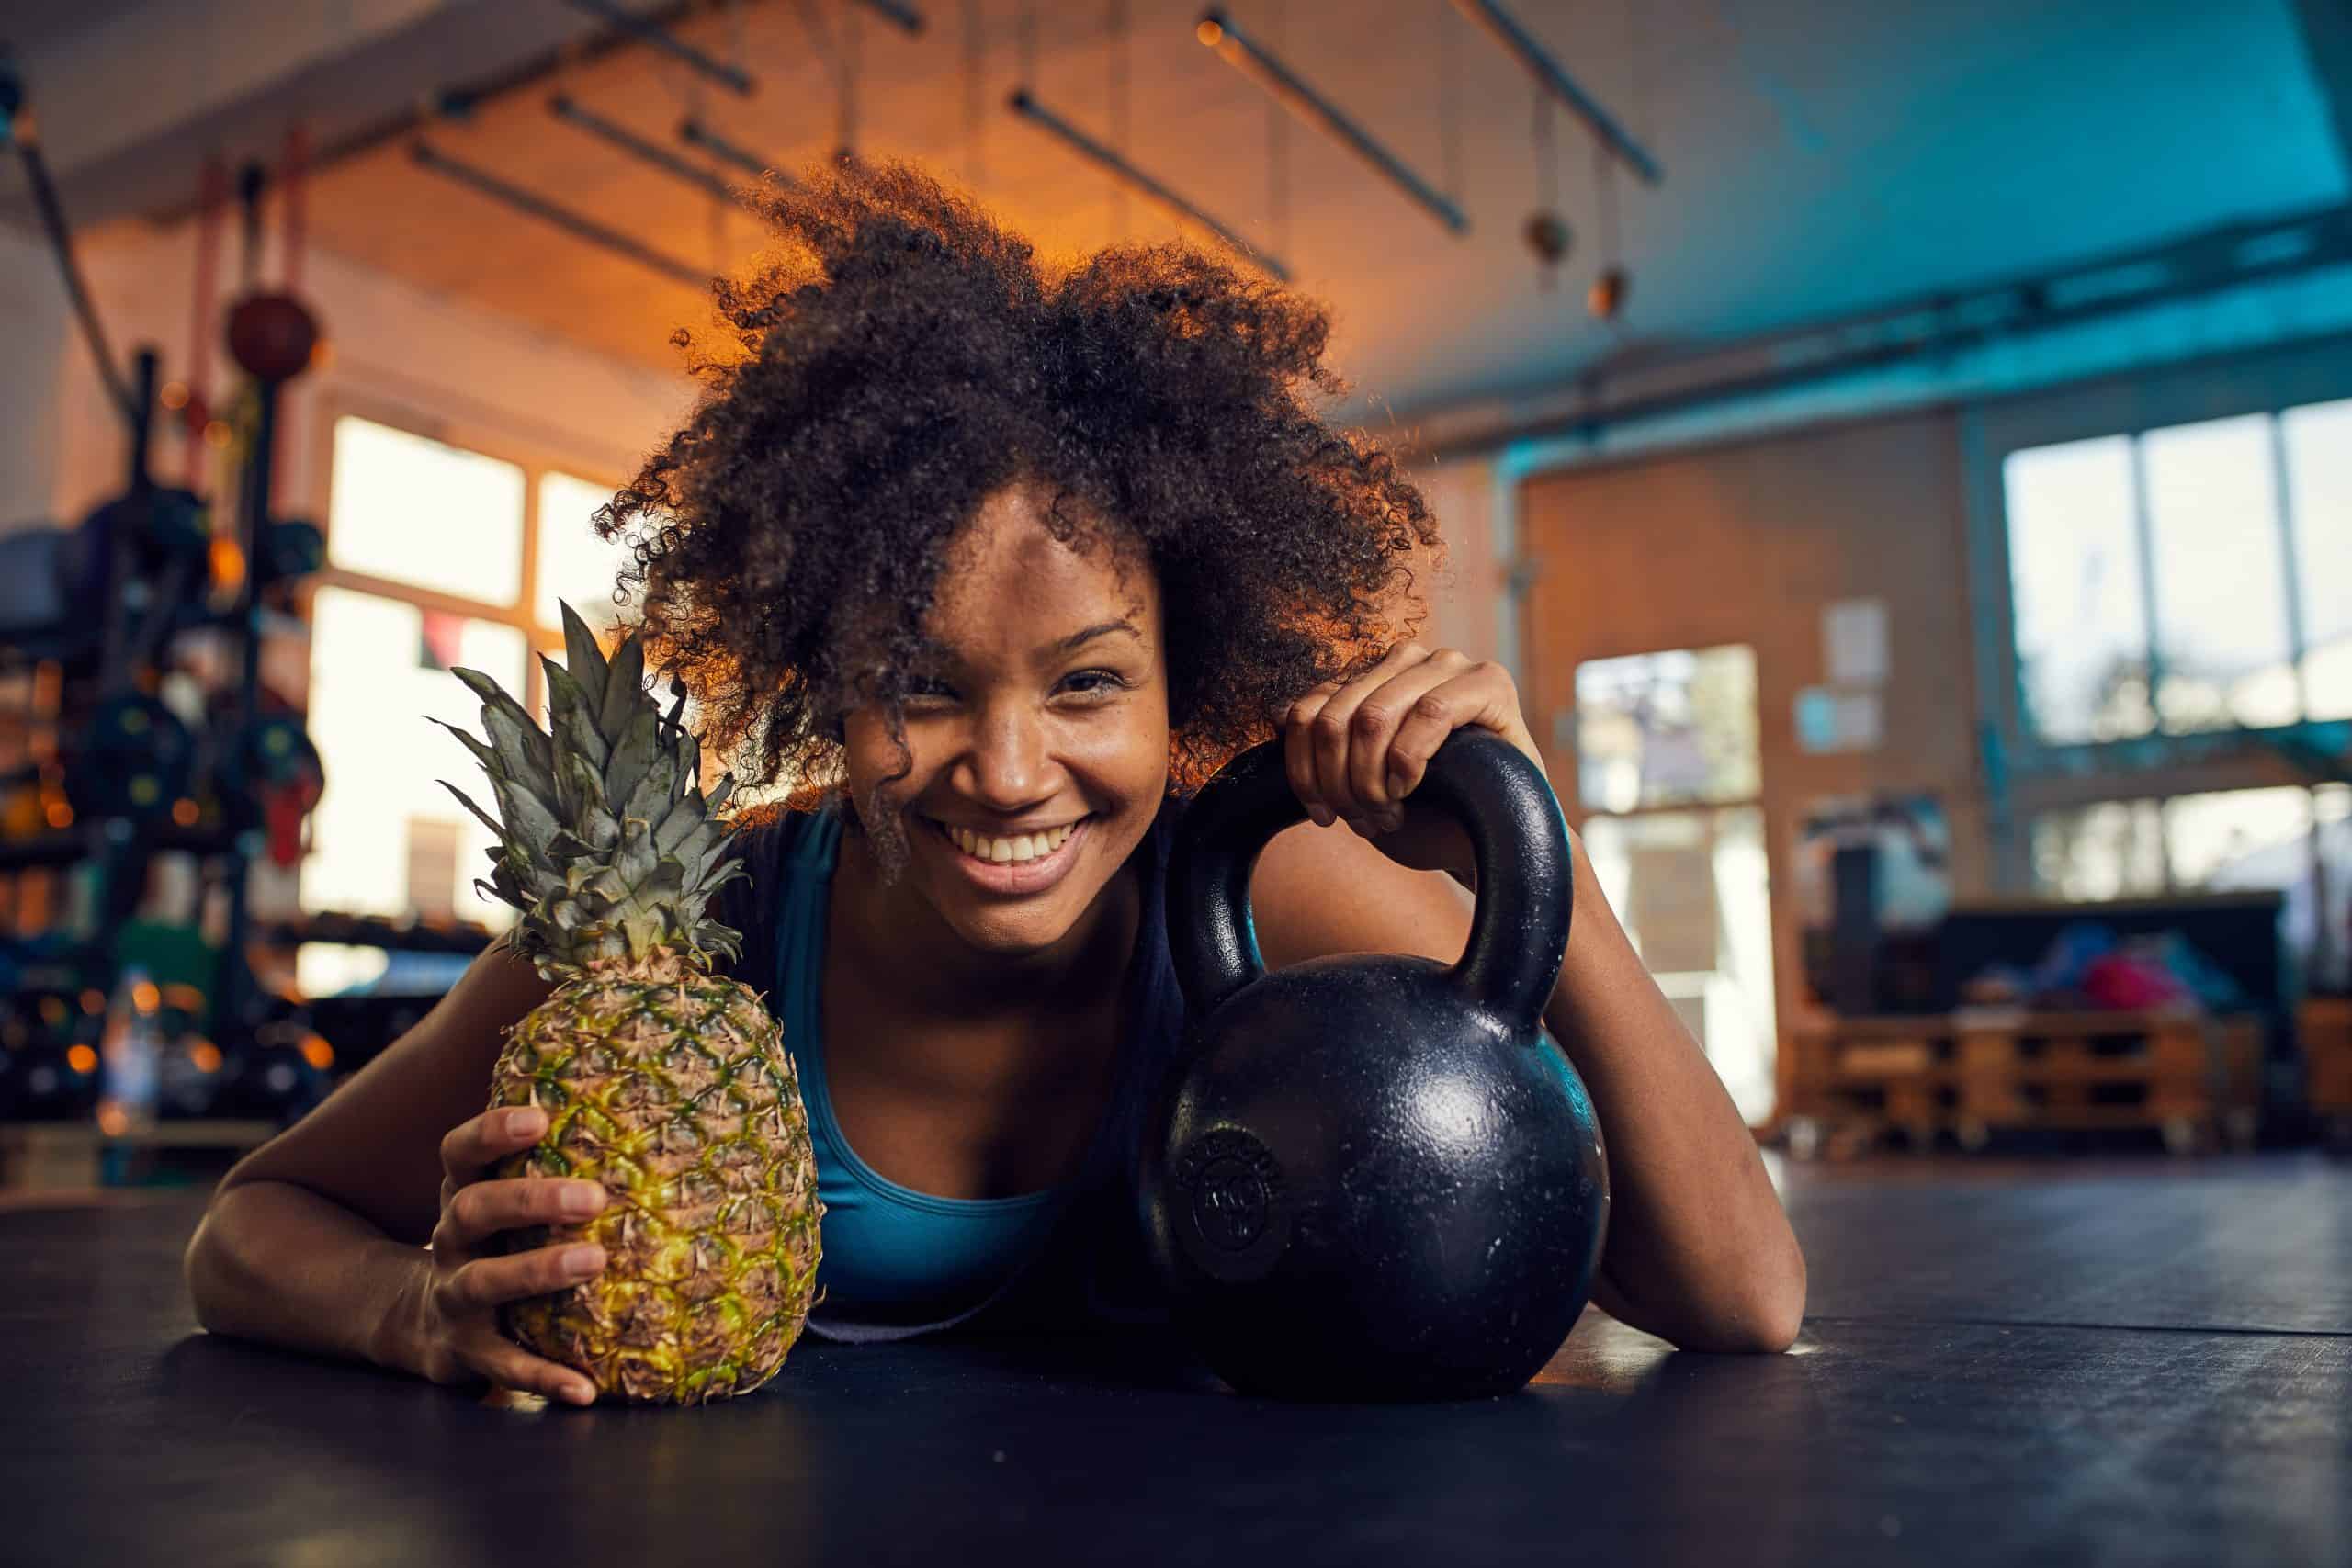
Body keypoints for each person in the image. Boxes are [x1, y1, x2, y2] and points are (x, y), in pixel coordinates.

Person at [185, 163, 1804, 1407]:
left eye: (1090, 681)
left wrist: (1533, 844)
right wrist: (413, 1313)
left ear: (1190, 689)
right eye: (920, 688)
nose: (1011, 772)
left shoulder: (1269, 893)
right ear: (824, 685)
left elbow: (1741, 1298)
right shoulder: (690, 941)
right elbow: (251, 1228)